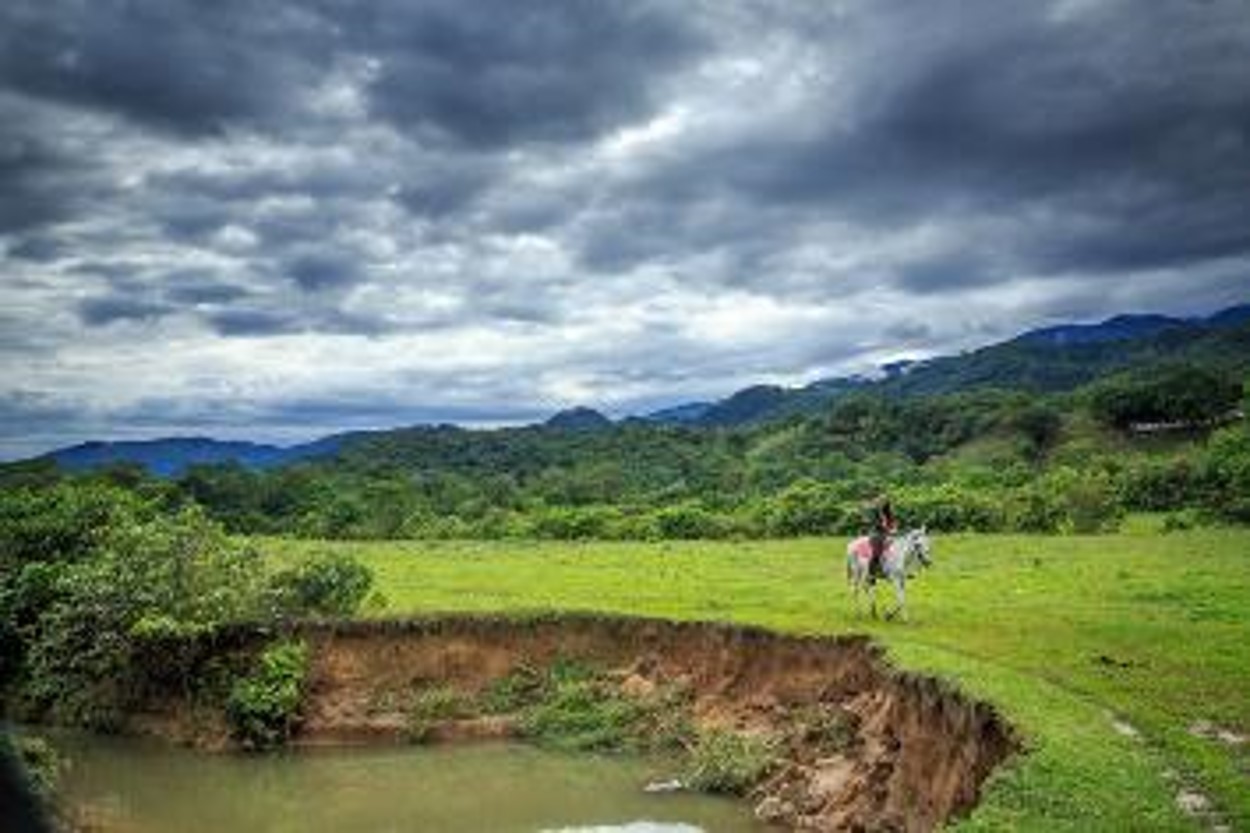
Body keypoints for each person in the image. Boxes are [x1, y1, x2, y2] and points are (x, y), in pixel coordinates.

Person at [865, 493, 897, 578]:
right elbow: (874, 523)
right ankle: (871, 573)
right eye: (882, 501)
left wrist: (894, 528)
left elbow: (892, 521)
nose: (883, 503)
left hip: (888, 533)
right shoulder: (874, 511)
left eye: (885, 501)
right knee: (876, 552)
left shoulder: (888, 512)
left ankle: (900, 569)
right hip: (876, 533)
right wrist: (885, 528)